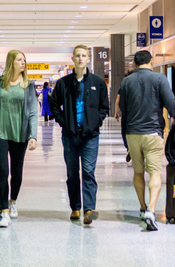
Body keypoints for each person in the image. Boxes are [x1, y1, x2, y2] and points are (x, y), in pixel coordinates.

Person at [118, 50, 175, 231]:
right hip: (153, 133)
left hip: (133, 134)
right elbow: (171, 103)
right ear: (151, 62)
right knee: (155, 173)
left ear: (135, 64)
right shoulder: (159, 79)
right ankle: (152, 210)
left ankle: (143, 207)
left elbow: (123, 109)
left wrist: (125, 138)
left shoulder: (126, 81)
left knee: (138, 173)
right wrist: (173, 118)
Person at [50, 45, 109, 225]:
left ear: (88, 58)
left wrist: (95, 122)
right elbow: (53, 105)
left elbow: (104, 107)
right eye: (78, 56)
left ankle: (89, 209)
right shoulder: (63, 83)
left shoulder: (97, 82)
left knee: (88, 172)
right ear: (73, 59)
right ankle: (75, 207)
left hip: (90, 136)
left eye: (84, 55)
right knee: (72, 173)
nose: (81, 58)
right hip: (70, 135)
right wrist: (63, 121)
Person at [0, 50, 38, 228]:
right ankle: (4, 212)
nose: (23, 63)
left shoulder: (28, 85)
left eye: (24, 60)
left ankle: (13, 201)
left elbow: (33, 112)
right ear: (11, 62)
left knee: (17, 172)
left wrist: (33, 135)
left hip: (20, 134)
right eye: (20, 59)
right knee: (3, 170)